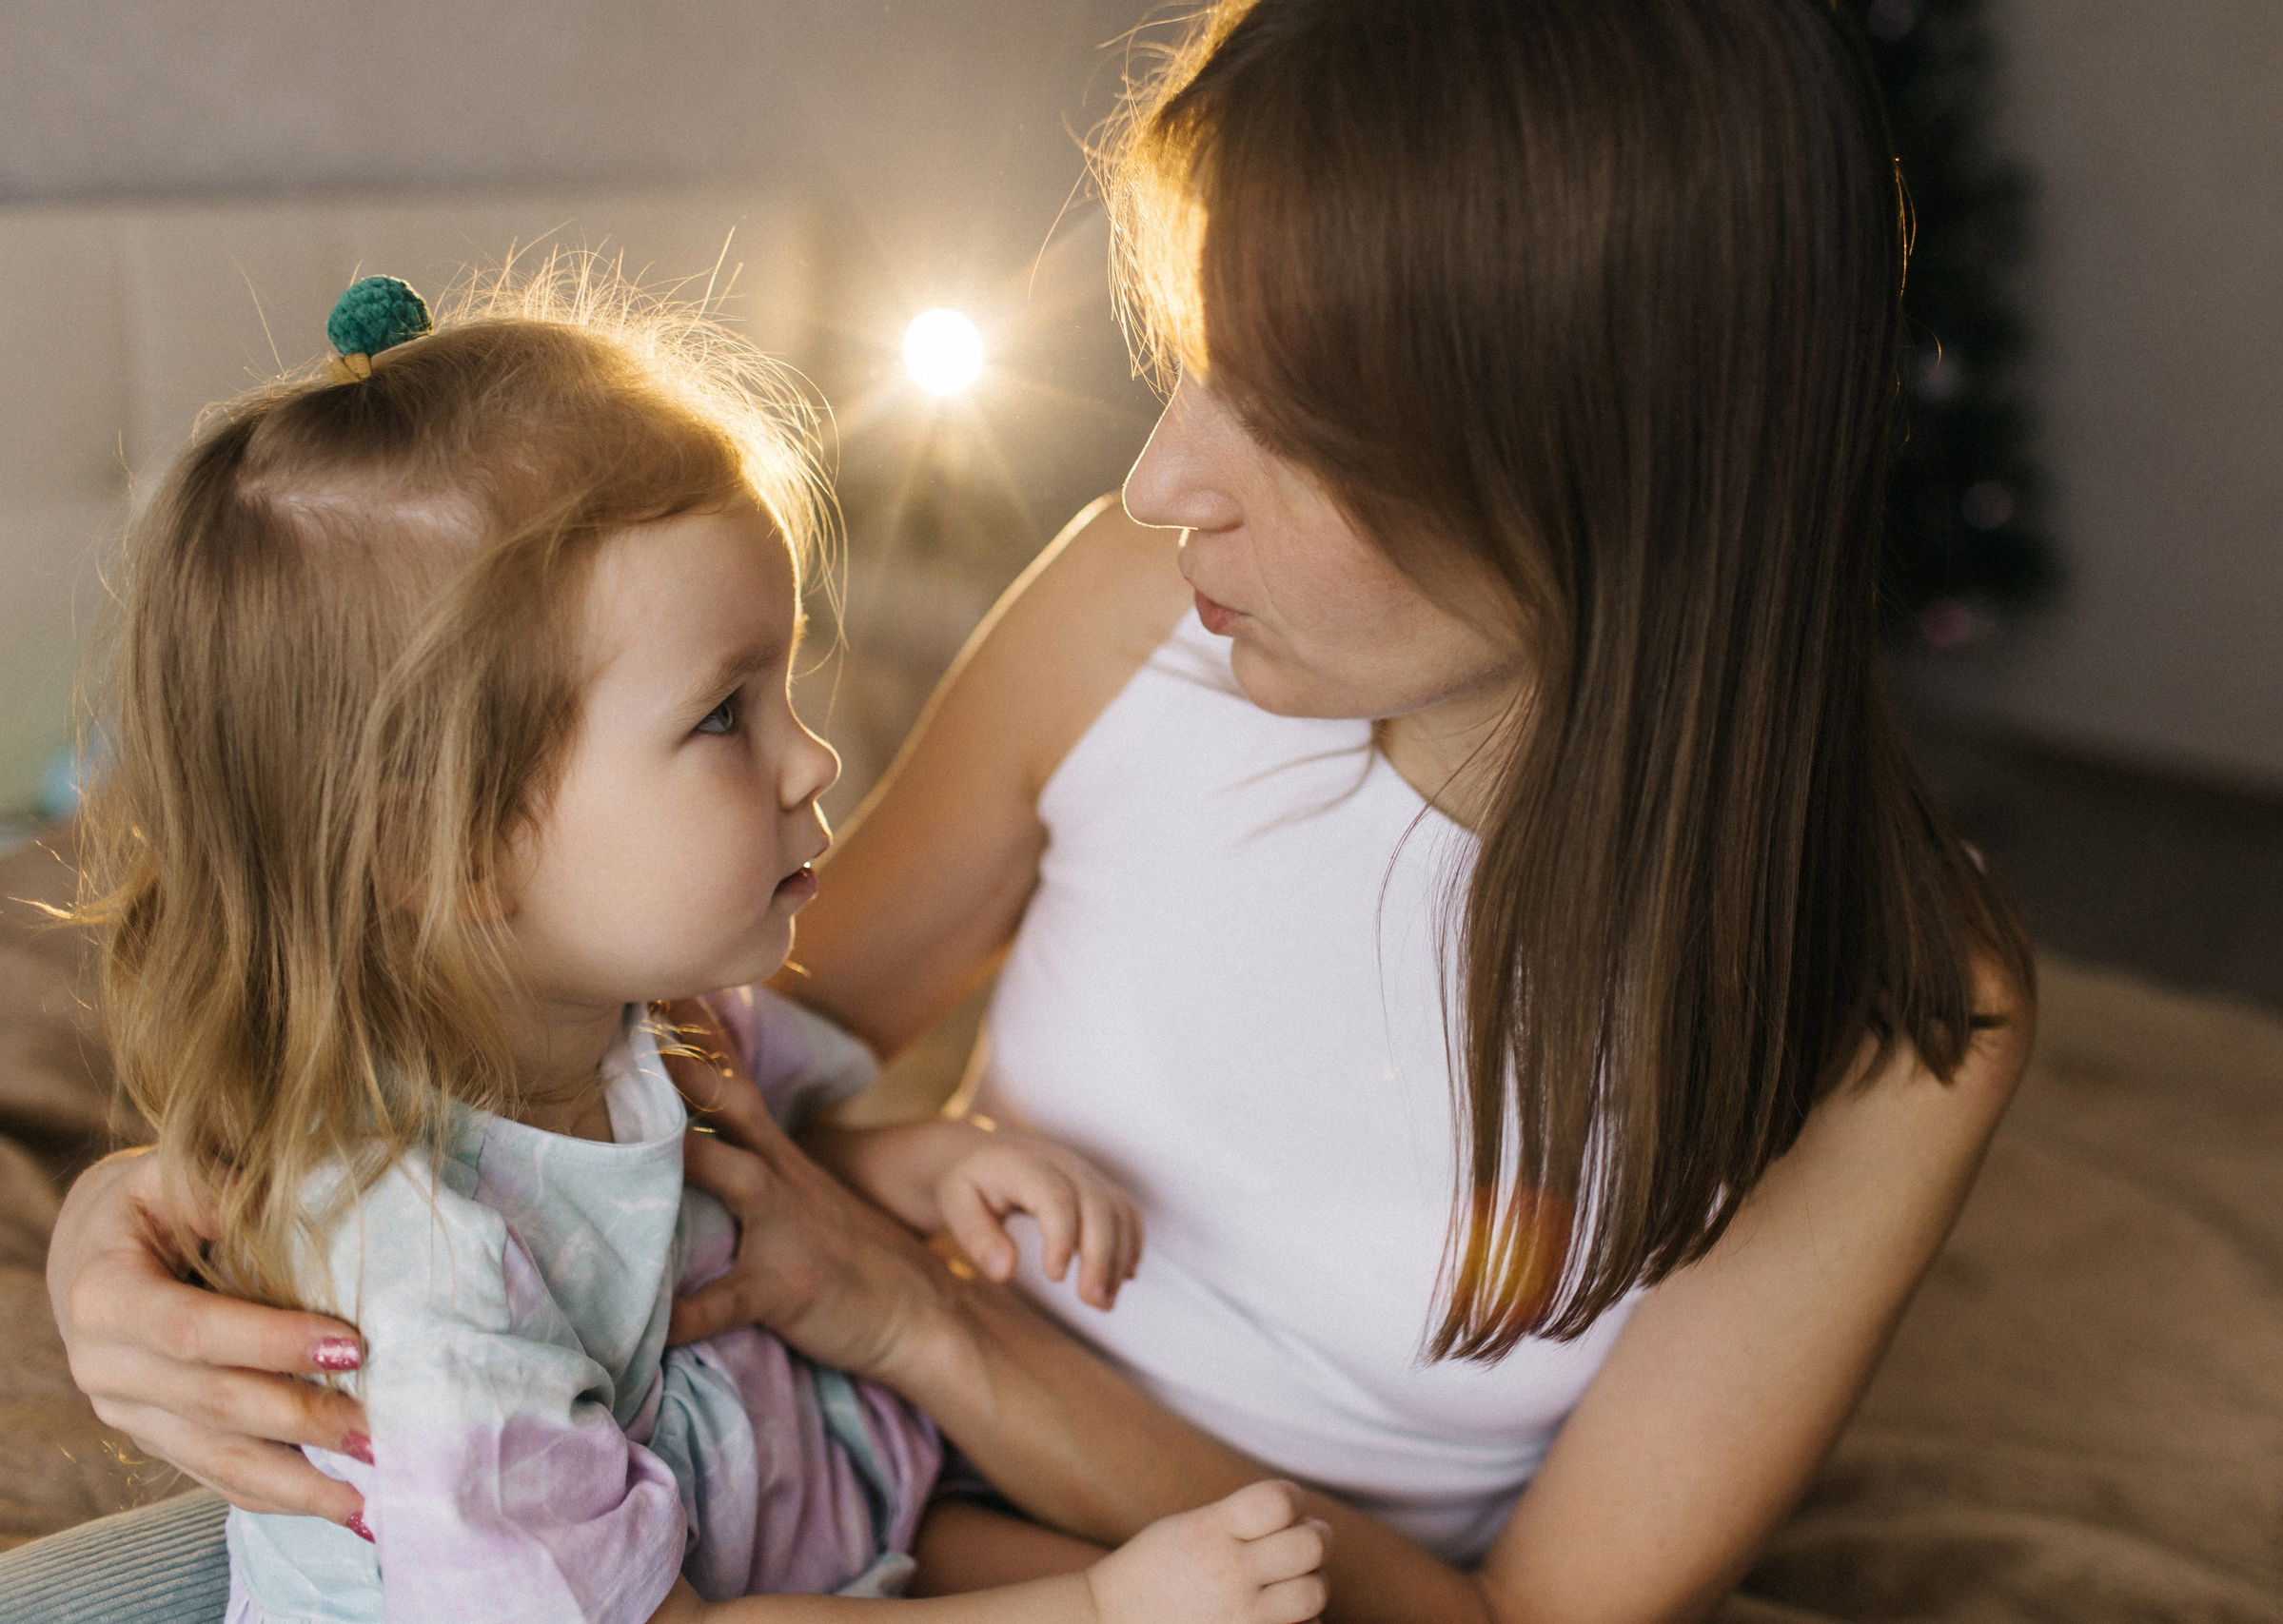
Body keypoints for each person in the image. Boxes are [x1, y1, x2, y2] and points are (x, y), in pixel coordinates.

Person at [28, 2, 2037, 1621]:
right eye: (1190, 361)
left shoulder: (1891, 1010)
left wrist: (928, 1327)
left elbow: (1512, 1616)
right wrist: (165, 1220)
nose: (1167, 481)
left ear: (1612, 463)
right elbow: (688, 1009)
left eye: (1297, 422)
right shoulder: (1131, 599)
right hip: (772, 1440)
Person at [17, 270, 1328, 1624]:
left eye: (788, 684)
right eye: (721, 716)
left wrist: (909, 1167)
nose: (813, 757)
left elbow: (712, 1185)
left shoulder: (643, 1018)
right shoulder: (423, 1288)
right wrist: (1106, 1611)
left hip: (816, 1542)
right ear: (437, 846)